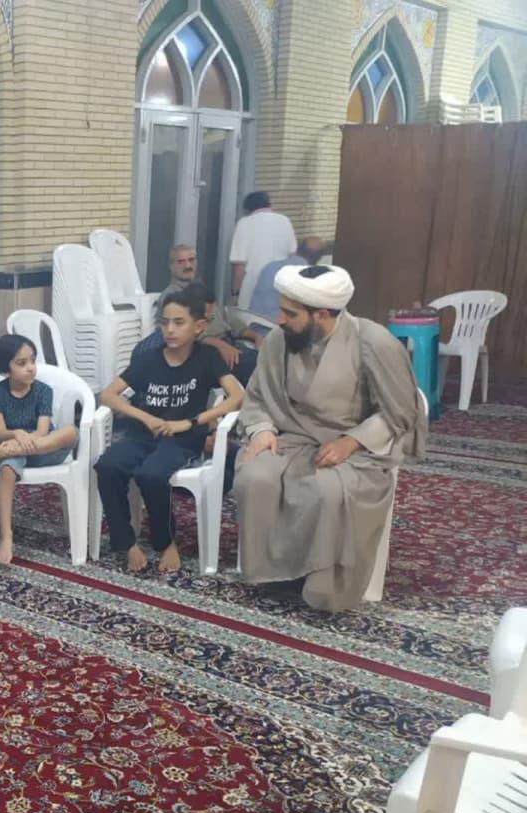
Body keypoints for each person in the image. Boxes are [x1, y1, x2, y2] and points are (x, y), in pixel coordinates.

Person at [236, 265, 427, 612]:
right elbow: (258, 395)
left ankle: (320, 587)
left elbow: (400, 412)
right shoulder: (280, 339)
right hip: (293, 435)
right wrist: (261, 430)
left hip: (355, 446)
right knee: (255, 476)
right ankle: (272, 575)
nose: (279, 319)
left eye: (290, 313)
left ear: (321, 314)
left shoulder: (373, 342)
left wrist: (351, 442)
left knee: (326, 491)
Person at [94, 290, 245, 573]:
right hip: (143, 434)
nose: (170, 330)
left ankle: (166, 543)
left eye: (179, 322)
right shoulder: (148, 358)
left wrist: (192, 422)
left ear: (199, 326)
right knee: (107, 466)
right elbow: (108, 395)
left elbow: (237, 396)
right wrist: (145, 417)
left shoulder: (207, 357)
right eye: (165, 323)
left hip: (183, 440)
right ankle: (126, 542)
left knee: (151, 475)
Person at [0, 334, 79, 565]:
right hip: (14, 449)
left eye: (33, 360)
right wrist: (17, 434)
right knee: (6, 470)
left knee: (71, 432)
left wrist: (16, 446)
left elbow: (42, 431)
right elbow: (0, 432)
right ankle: (6, 536)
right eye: (22, 363)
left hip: (42, 450)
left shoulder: (43, 391)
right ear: (5, 370)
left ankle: (8, 453)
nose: (30, 368)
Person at [229, 191, 297, 310]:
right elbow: (292, 256)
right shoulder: (285, 221)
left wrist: (235, 293)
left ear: (247, 209)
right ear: (269, 204)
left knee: (251, 319)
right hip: (280, 285)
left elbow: (239, 265)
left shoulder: (244, 223)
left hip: (253, 286)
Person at [247, 237, 327, 321]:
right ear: (319, 258)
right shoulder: (309, 276)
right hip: (277, 325)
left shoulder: (271, 266)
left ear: (298, 249)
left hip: (253, 322)